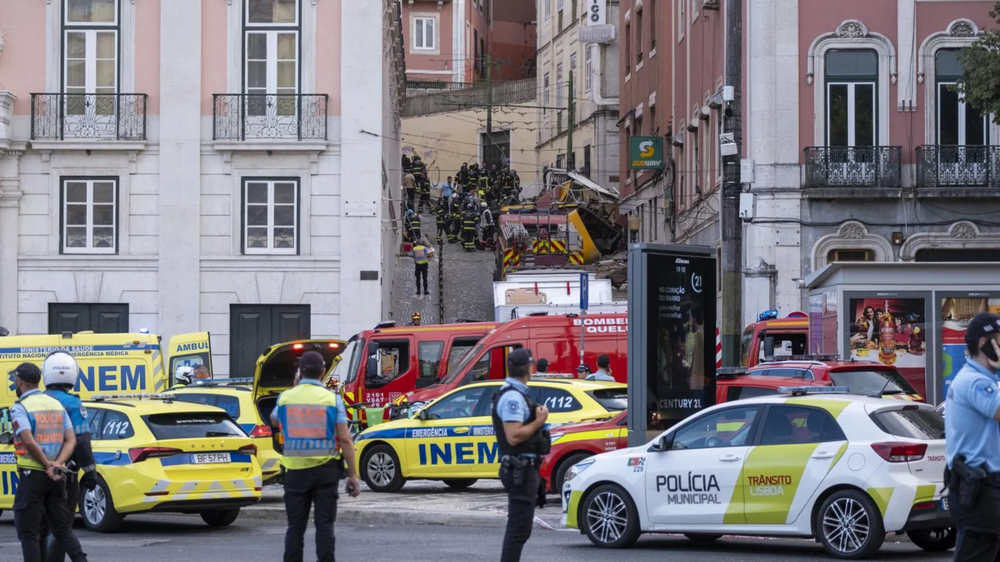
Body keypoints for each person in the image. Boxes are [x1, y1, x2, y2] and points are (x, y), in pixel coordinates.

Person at [272, 351, 361, 562]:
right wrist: (353, 475)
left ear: (300, 372)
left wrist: (295, 387)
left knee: (295, 528)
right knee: (325, 527)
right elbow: (346, 439)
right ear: (322, 373)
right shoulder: (332, 399)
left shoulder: (286, 397)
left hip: (295, 472)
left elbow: (275, 420)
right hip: (325, 472)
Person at [10, 363, 88, 562]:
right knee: (63, 529)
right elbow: (71, 439)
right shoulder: (56, 404)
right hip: (57, 477)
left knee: (29, 534)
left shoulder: (21, 407)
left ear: (19, 381)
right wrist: (58, 463)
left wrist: (46, 465)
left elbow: (27, 440)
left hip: (32, 476)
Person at [945, 313, 1000, 561]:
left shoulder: (986, 381)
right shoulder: (975, 382)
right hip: (980, 493)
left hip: (985, 491)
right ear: (984, 344)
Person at [492, 349, 549, 562]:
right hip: (519, 469)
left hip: (523, 468)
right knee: (518, 531)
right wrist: (539, 421)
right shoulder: (513, 397)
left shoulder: (515, 393)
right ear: (529, 368)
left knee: (520, 530)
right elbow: (514, 436)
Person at [40, 352, 97, 562]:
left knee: (40, 526)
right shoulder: (72, 404)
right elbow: (81, 441)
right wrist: (90, 472)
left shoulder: (36, 401)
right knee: (61, 525)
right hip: (64, 474)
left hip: (37, 472)